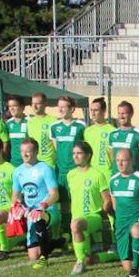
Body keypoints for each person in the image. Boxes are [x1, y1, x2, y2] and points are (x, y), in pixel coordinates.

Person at [12, 138, 62, 270]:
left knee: (38, 218)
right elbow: (16, 195)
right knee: (33, 255)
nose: (24, 154)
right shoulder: (17, 171)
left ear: (36, 151)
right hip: (30, 213)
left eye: (28, 151)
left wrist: (43, 206)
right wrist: (17, 206)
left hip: (48, 210)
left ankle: (44, 258)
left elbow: (55, 195)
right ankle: (59, 241)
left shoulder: (45, 169)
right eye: (22, 151)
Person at [67, 141, 112, 275]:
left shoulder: (97, 174)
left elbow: (107, 199)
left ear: (88, 155)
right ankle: (106, 257)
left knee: (75, 225)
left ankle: (79, 262)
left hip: (93, 217)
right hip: (76, 218)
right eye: (74, 153)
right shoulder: (70, 175)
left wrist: (102, 215)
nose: (75, 156)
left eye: (79, 153)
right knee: (90, 259)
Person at [109, 148, 139, 277]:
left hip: (137, 218)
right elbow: (115, 205)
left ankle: (135, 268)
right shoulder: (113, 181)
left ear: (132, 160)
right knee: (126, 266)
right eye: (118, 160)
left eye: (124, 160)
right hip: (121, 223)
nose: (120, 163)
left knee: (136, 231)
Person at [51, 96, 86, 235]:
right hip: (61, 171)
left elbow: (84, 147)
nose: (60, 109)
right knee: (64, 204)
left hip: (76, 171)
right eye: (59, 106)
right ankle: (66, 232)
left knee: (77, 202)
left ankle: (80, 230)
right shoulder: (54, 127)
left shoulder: (81, 126)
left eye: (63, 106)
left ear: (72, 109)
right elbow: (56, 148)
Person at [109, 100, 139, 175]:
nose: (121, 116)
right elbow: (112, 157)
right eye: (119, 113)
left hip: (132, 177)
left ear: (131, 114)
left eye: (124, 113)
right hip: (116, 177)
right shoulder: (112, 134)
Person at [84, 97, 115, 181]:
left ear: (104, 111)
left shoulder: (112, 131)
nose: (93, 113)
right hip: (91, 175)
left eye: (96, 110)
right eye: (91, 110)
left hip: (106, 175)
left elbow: (114, 156)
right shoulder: (87, 131)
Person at [26, 92, 57, 167]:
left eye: (38, 103)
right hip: (34, 163)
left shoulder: (53, 121)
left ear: (44, 104)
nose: (35, 106)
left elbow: (57, 145)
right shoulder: (29, 122)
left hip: (48, 164)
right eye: (33, 103)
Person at [5, 95, 28, 168]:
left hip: (29, 163)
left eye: (14, 106)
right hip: (13, 164)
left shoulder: (30, 122)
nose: (11, 108)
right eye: (10, 106)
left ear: (22, 107)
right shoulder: (8, 124)